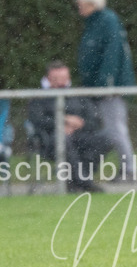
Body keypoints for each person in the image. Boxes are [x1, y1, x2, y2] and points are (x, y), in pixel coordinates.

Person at [74, 0, 136, 178]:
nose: (79, 9)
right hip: (95, 88)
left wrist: (106, 85)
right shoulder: (93, 24)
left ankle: (128, 170)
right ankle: (87, 171)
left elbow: (112, 55)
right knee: (104, 129)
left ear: (93, 4)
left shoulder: (107, 21)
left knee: (115, 128)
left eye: (82, 5)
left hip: (108, 89)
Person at [27, 60, 111, 193]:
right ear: (48, 78)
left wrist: (80, 123)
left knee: (104, 138)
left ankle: (77, 181)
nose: (61, 83)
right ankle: (83, 183)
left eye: (64, 78)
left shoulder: (78, 95)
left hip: (79, 135)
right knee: (63, 140)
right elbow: (37, 121)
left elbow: (95, 121)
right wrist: (61, 121)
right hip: (49, 140)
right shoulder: (38, 97)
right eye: (56, 79)